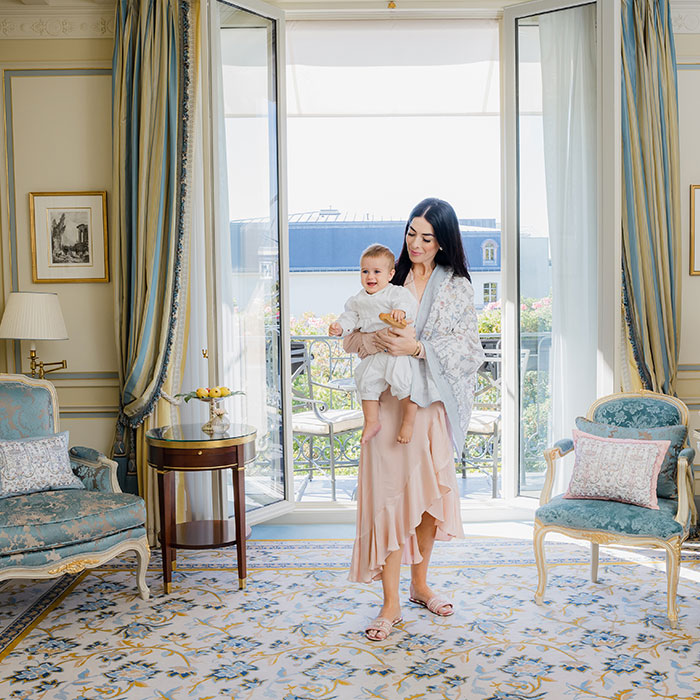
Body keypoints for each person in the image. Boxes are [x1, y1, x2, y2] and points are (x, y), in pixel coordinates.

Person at [345, 198, 485, 641]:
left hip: (430, 406)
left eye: (427, 237)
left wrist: (420, 349)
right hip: (386, 405)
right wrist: (374, 338)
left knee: (426, 499)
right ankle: (389, 603)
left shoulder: (458, 286)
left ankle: (420, 584)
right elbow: (350, 339)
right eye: (411, 233)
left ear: (443, 241)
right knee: (388, 498)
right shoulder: (387, 275)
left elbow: (470, 350)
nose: (416, 243)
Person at [329, 244, 419, 444]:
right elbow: (350, 317)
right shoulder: (358, 300)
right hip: (375, 354)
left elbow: (408, 304)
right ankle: (371, 421)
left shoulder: (395, 293)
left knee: (403, 382)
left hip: (396, 352)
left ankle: (409, 421)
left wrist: (400, 312)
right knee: (364, 379)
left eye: (377, 272)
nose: (370, 277)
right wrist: (340, 328)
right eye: (365, 271)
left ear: (390, 274)